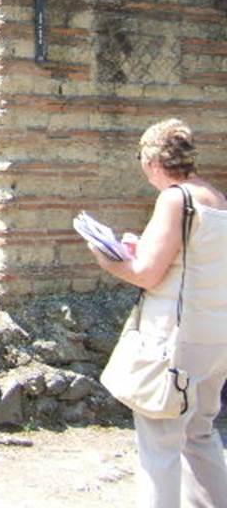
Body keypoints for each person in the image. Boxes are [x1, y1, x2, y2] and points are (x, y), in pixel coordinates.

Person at [87, 118, 227, 508]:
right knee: (199, 433)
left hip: (174, 340)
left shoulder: (174, 199)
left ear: (152, 161)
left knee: (159, 445)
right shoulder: (215, 197)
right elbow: (188, 260)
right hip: (215, 338)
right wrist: (138, 245)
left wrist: (107, 258)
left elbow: (147, 274)